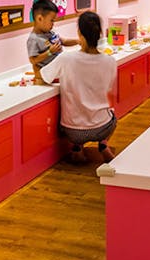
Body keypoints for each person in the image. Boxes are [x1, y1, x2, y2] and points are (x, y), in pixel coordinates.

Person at [39, 11, 117, 165]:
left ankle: (77, 148)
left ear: (79, 34)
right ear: (100, 33)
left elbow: (44, 76)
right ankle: (103, 145)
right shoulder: (110, 61)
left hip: (72, 131)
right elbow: (109, 91)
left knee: (75, 117)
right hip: (103, 128)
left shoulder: (66, 59)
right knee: (112, 116)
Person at [27, 0, 63, 85]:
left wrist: (78, 41)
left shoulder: (49, 33)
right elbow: (33, 61)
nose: (53, 24)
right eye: (51, 20)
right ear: (40, 19)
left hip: (57, 68)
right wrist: (49, 52)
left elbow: (63, 40)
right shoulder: (33, 39)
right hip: (49, 72)